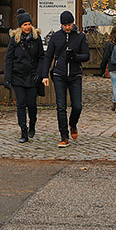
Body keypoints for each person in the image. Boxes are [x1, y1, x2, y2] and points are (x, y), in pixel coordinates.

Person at [41, 9, 90, 146]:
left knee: (77, 106)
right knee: (61, 107)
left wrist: (76, 56)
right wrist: (44, 75)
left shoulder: (80, 37)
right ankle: (64, 136)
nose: (67, 27)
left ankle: (72, 123)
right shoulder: (56, 37)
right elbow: (48, 56)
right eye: (64, 25)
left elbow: (86, 56)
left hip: (75, 74)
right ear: (61, 25)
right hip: (59, 74)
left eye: (69, 24)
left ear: (73, 23)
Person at [3, 9, 44, 142]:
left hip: (32, 76)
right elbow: (8, 59)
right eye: (24, 24)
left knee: (31, 104)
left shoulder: (36, 39)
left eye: (28, 24)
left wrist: (39, 73)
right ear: (20, 26)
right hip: (18, 76)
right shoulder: (15, 40)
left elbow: (41, 57)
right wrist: (7, 78)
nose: (27, 27)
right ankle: (23, 131)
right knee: (21, 103)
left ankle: (32, 124)